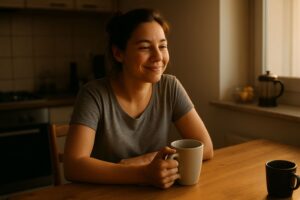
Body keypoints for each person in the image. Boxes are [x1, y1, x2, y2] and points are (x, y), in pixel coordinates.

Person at [64, 8, 213, 189]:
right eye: (144, 47)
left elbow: (206, 147)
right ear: (119, 53)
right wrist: (143, 173)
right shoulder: (93, 94)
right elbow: (73, 166)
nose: (158, 57)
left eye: (162, 46)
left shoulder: (170, 87)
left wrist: (146, 160)